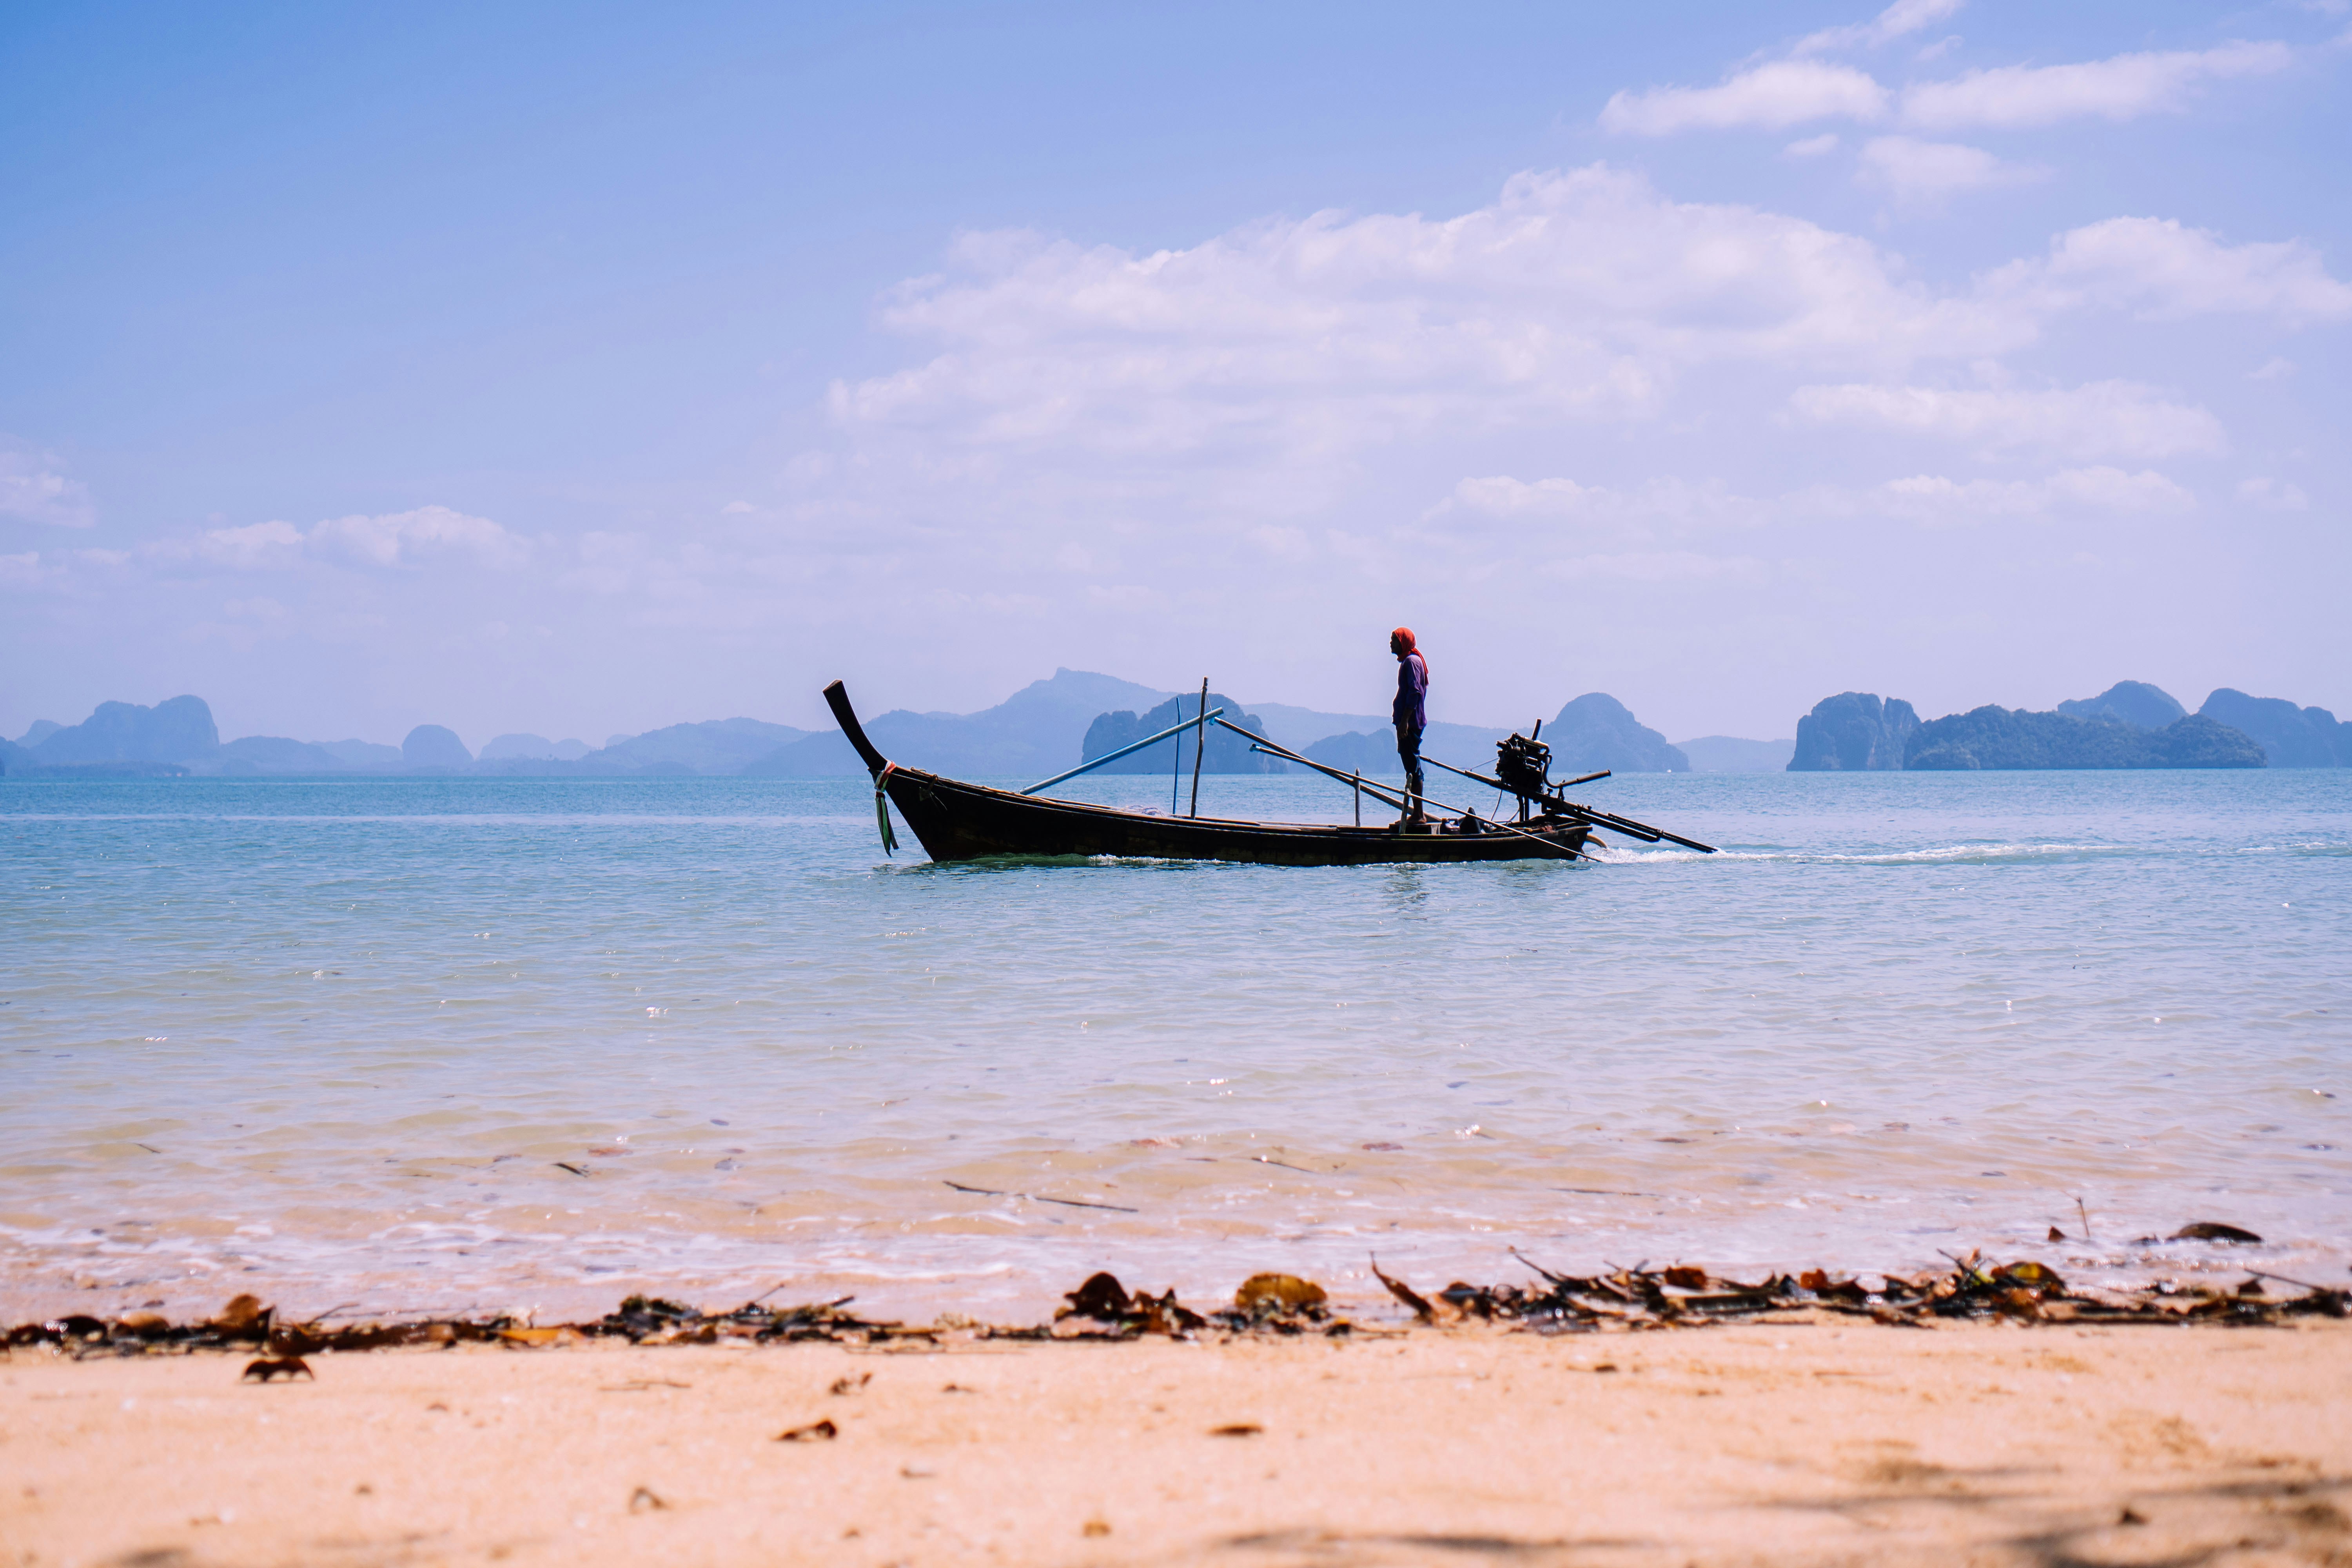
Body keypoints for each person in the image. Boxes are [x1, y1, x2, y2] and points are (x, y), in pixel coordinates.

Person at [1390, 626, 1428, 823]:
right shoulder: (1409, 661)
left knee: (1413, 767)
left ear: (1403, 642)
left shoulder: (1411, 662)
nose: (1391, 643)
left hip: (1411, 723)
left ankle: (1419, 814)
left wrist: (1404, 721)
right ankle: (1417, 813)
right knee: (1411, 766)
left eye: (1394, 639)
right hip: (1408, 723)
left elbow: (1415, 692)